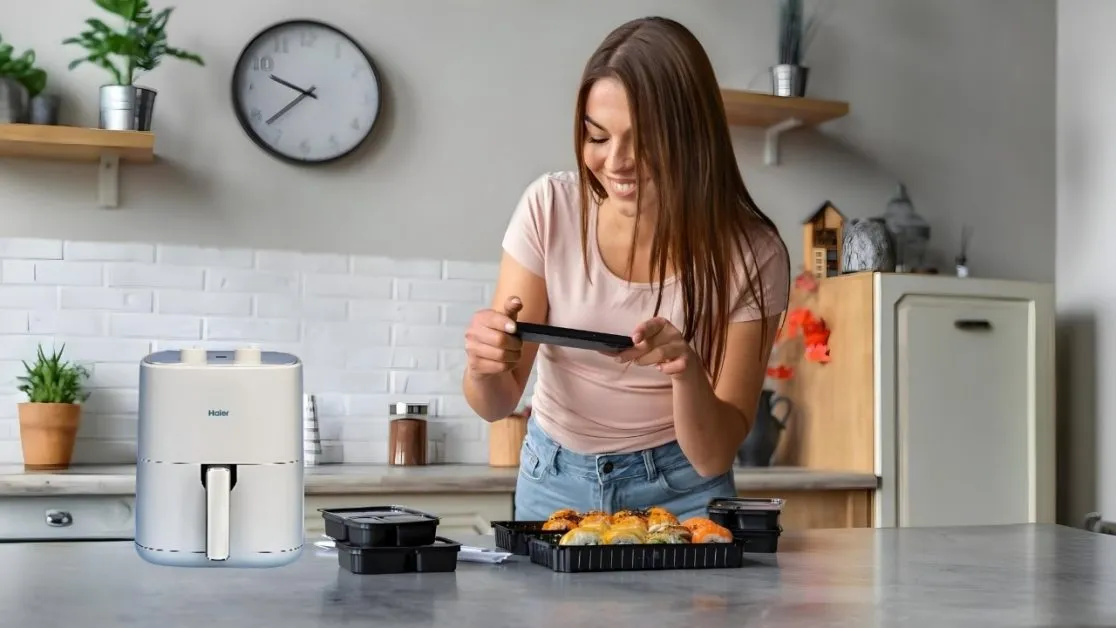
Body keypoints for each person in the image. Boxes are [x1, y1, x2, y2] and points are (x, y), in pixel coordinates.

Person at [462, 16, 791, 522]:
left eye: (642, 139)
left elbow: (713, 454)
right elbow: (495, 402)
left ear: (693, 136)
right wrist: (484, 365)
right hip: (552, 481)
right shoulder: (550, 208)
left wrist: (687, 374)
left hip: (684, 492)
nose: (616, 162)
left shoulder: (752, 251)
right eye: (597, 137)